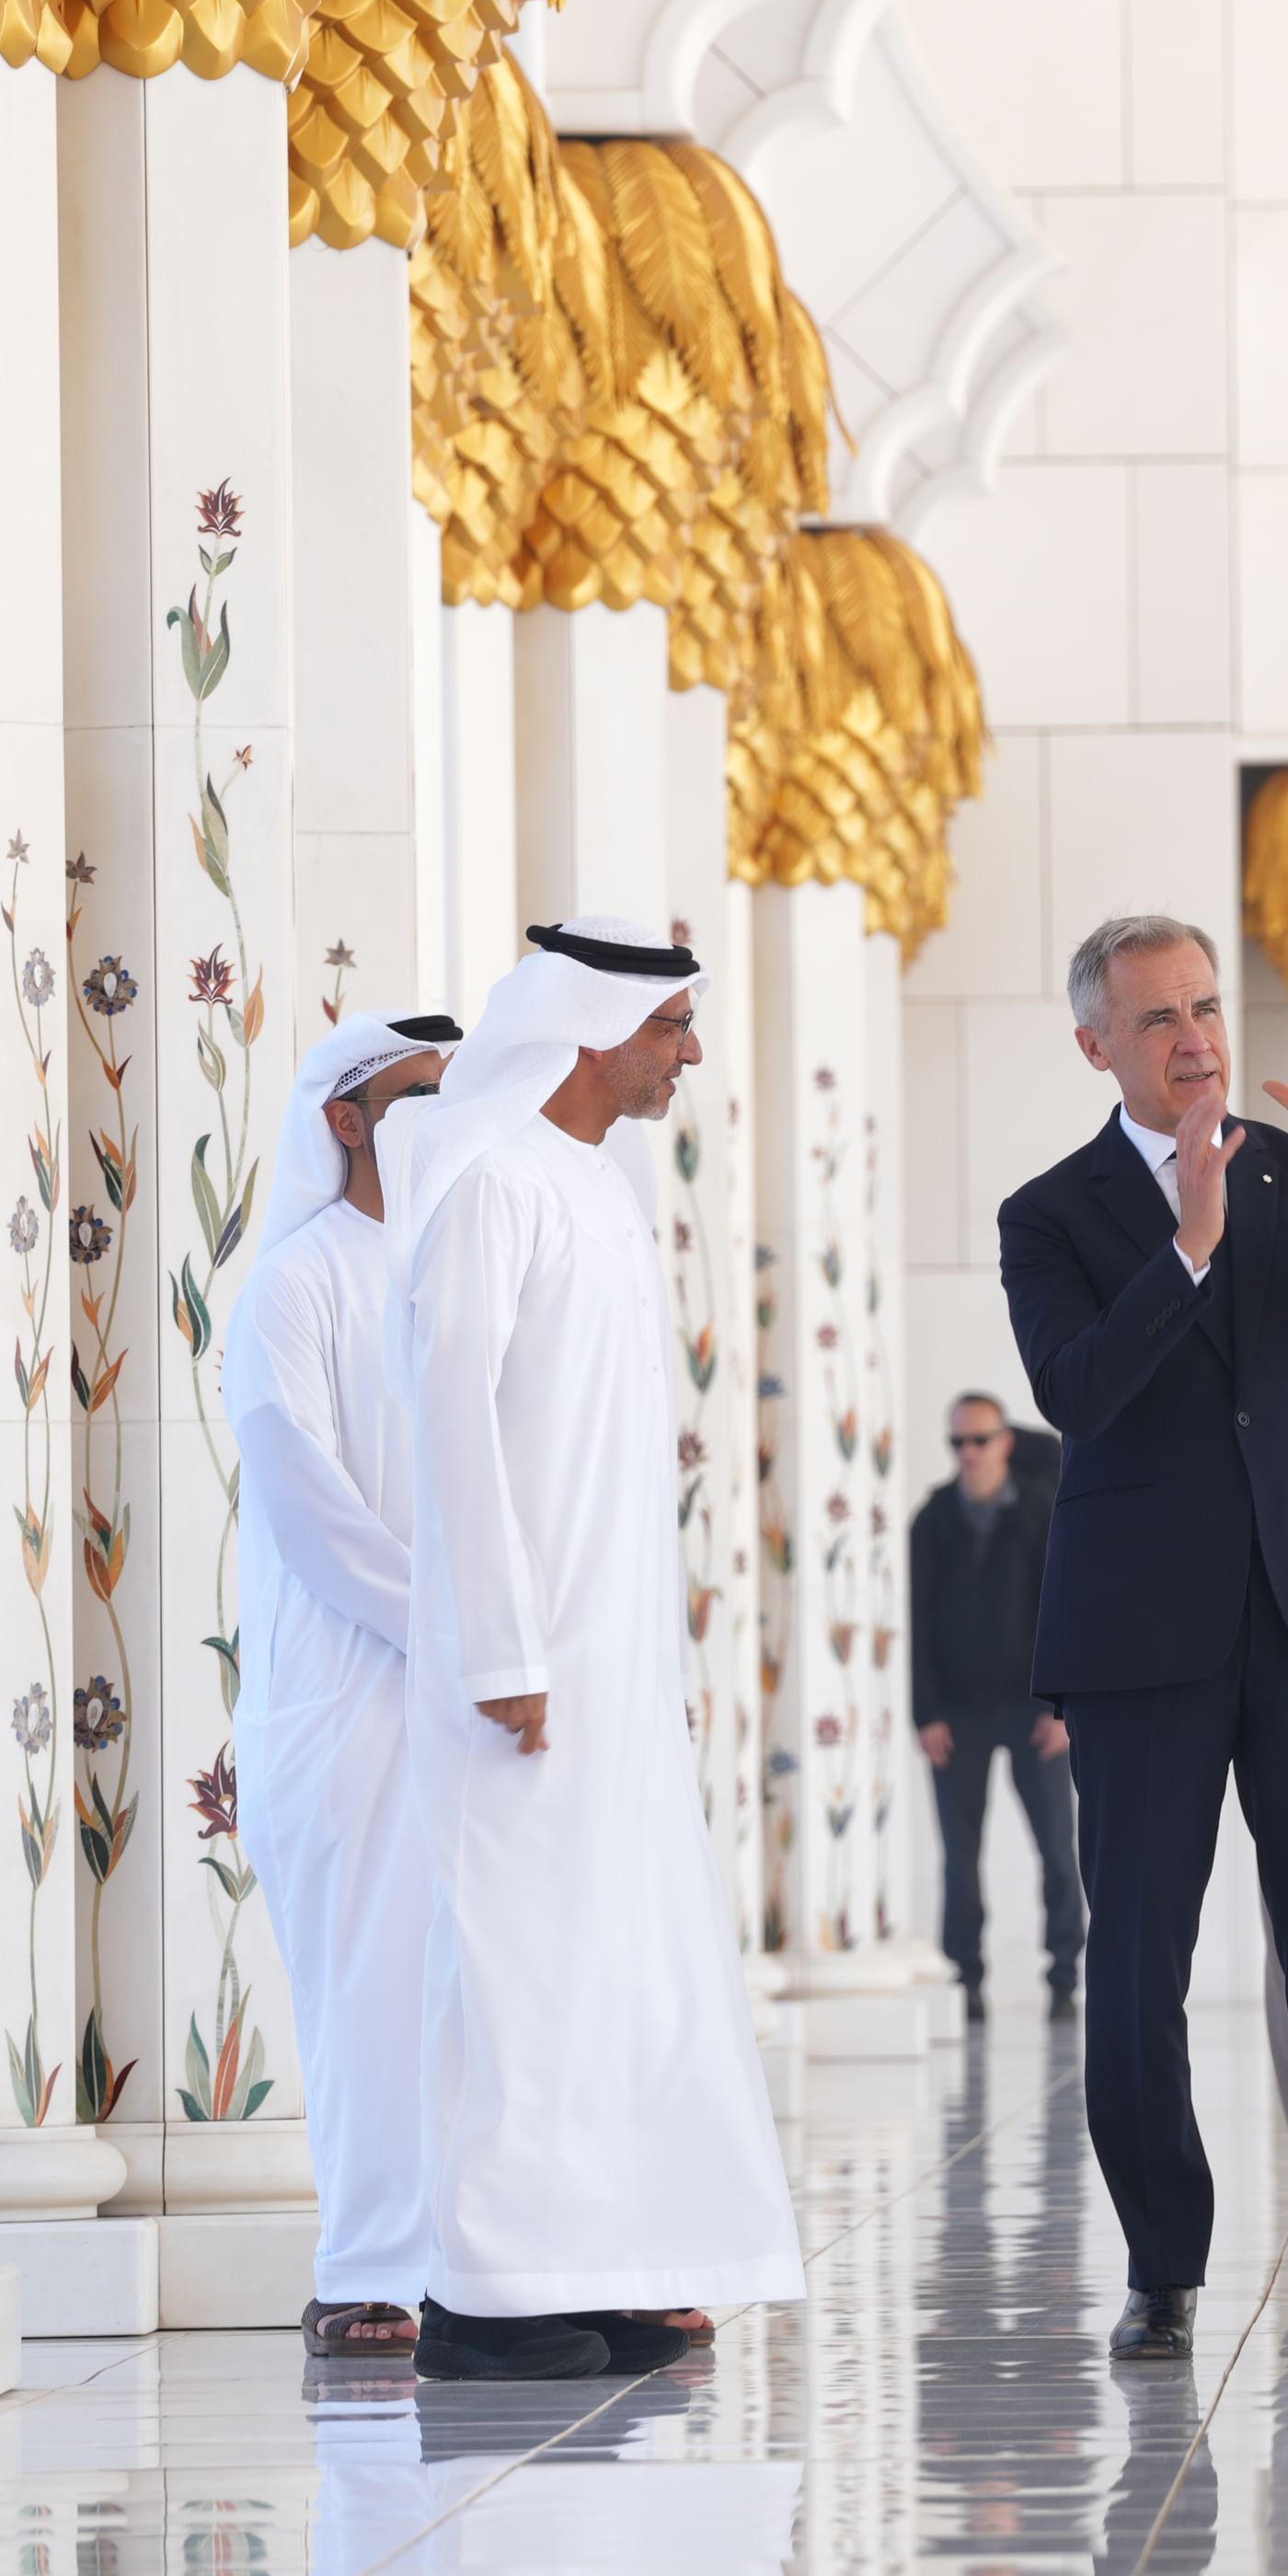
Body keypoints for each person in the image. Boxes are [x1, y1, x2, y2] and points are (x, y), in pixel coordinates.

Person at [997, 911, 1288, 2362]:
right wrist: (1188, 1249)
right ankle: (1162, 2264)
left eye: (1204, 1005)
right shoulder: (1051, 1210)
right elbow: (1076, 1391)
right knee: (1136, 1961)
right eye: (1159, 1019)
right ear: (1096, 1045)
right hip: (1144, 1627)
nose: (1197, 1035)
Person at [379, 916, 810, 2379]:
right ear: (590, 1026)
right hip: (524, 1661)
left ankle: (602, 2258)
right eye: (674, 1024)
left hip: (611, 1660)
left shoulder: (593, 1188)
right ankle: (480, 2291)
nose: (689, 1049)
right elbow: (453, 1422)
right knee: (518, 1964)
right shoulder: (492, 1181)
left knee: (613, 1959)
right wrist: (503, 1640)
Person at [217, 1002, 462, 2366]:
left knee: (470, 1981)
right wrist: (443, 1621)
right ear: (347, 1121)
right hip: (347, 1691)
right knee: (367, 1981)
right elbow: (308, 1501)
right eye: (415, 1090)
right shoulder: (295, 1279)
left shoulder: (452, 1264)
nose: (437, 1112)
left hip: (467, 1684)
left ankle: (482, 2263)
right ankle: (365, 2266)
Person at [907, 1390, 1079, 2020]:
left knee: (1058, 1849)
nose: (968, 1453)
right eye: (957, 1442)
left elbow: (1066, 1608)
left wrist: (1062, 1706)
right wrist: (925, 1713)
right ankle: (965, 1978)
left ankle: (1064, 1975)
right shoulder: (930, 1520)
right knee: (959, 1856)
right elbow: (915, 1623)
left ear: (1006, 1441)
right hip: (957, 1714)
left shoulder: (1042, 1510)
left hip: (1034, 1711)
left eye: (981, 1439)